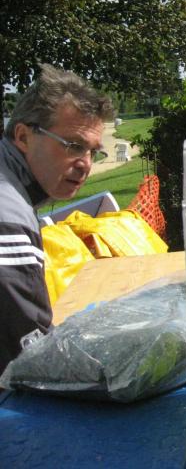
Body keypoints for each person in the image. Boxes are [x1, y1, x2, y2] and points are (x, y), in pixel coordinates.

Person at [1, 64, 113, 375]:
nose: (85, 164)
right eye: (74, 146)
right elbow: (30, 357)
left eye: (93, 152)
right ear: (23, 136)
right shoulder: (8, 218)